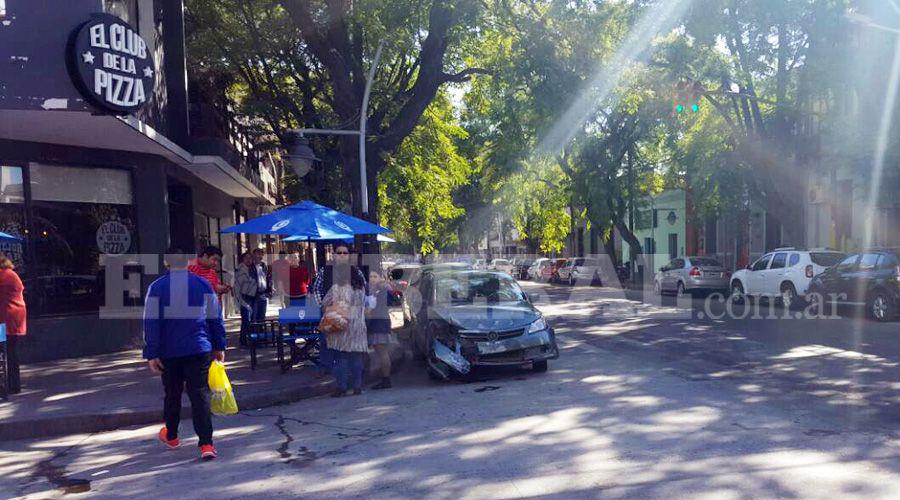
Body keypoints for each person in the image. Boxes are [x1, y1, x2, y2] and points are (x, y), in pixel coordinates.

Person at [144, 248, 226, 461]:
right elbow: (215, 318)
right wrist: (219, 346)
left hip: (169, 352)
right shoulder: (202, 284)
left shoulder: (156, 288)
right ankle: (206, 443)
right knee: (199, 395)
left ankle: (171, 436)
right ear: (187, 263)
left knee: (172, 393)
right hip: (199, 349)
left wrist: (151, 353)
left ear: (166, 264)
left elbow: (151, 322)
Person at [310, 244, 368, 375]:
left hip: (350, 313)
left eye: (345, 253)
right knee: (326, 339)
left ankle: (348, 372)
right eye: (339, 253)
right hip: (330, 310)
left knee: (348, 341)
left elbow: (364, 289)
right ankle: (326, 367)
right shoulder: (325, 270)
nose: (342, 255)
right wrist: (324, 307)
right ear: (334, 255)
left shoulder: (355, 271)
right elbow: (317, 288)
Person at [322, 261, 370, 397]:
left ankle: (341, 388)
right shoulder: (361, 289)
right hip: (358, 327)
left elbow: (325, 302)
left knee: (341, 357)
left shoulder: (337, 288)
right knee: (356, 358)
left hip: (343, 326)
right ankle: (357, 386)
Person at [0, 255, 26, 394]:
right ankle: (14, 385)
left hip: (4, 321)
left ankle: (5, 385)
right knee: (11, 352)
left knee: (5, 350)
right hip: (15, 319)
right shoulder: (12, 274)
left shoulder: (2, 276)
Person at [367, 270, 395, 390]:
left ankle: (386, 379)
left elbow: (375, 308)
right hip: (379, 323)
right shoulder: (375, 291)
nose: (372, 279)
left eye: (375, 276)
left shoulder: (381, 291)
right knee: (381, 352)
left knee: (382, 352)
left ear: (380, 278)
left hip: (379, 323)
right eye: (370, 277)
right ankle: (385, 378)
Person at [232, 251, 256, 347]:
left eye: (250, 258)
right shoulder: (240, 270)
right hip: (244, 297)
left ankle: (250, 340)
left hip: (252, 297)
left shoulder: (252, 269)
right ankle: (243, 341)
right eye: (247, 258)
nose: (249, 260)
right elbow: (237, 286)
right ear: (243, 259)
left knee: (251, 320)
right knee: (246, 320)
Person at [248, 248, 272, 322]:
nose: (260, 256)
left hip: (263, 294)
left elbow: (268, 278)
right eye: (258, 254)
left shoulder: (264, 266)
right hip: (254, 295)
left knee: (262, 316)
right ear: (254, 255)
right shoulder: (250, 266)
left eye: (261, 254)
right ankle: (254, 332)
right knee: (254, 316)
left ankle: (261, 331)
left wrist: (269, 290)